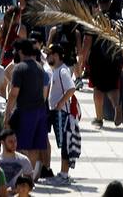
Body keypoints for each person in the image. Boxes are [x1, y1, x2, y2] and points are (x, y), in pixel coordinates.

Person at [4, 39, 52, 179]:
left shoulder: (19, 68)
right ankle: (30, 176)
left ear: (20, 52)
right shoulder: (39, 67)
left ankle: (21, 176)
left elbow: (13, 94)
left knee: (21, 145)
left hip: (26, 111)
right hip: (40, 111)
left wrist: (7, 114)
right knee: (35, 146)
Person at [45, 42, 78, 184]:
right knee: (62, 142)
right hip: (56, 112)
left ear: (56, 56)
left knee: (65, 143)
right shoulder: (56, 70)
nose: (47, 57)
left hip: (62, 113)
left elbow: (71, 88)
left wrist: (60, 103)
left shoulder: (62, 71)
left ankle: (64, 174)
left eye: (50, 55)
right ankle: (62, 172)